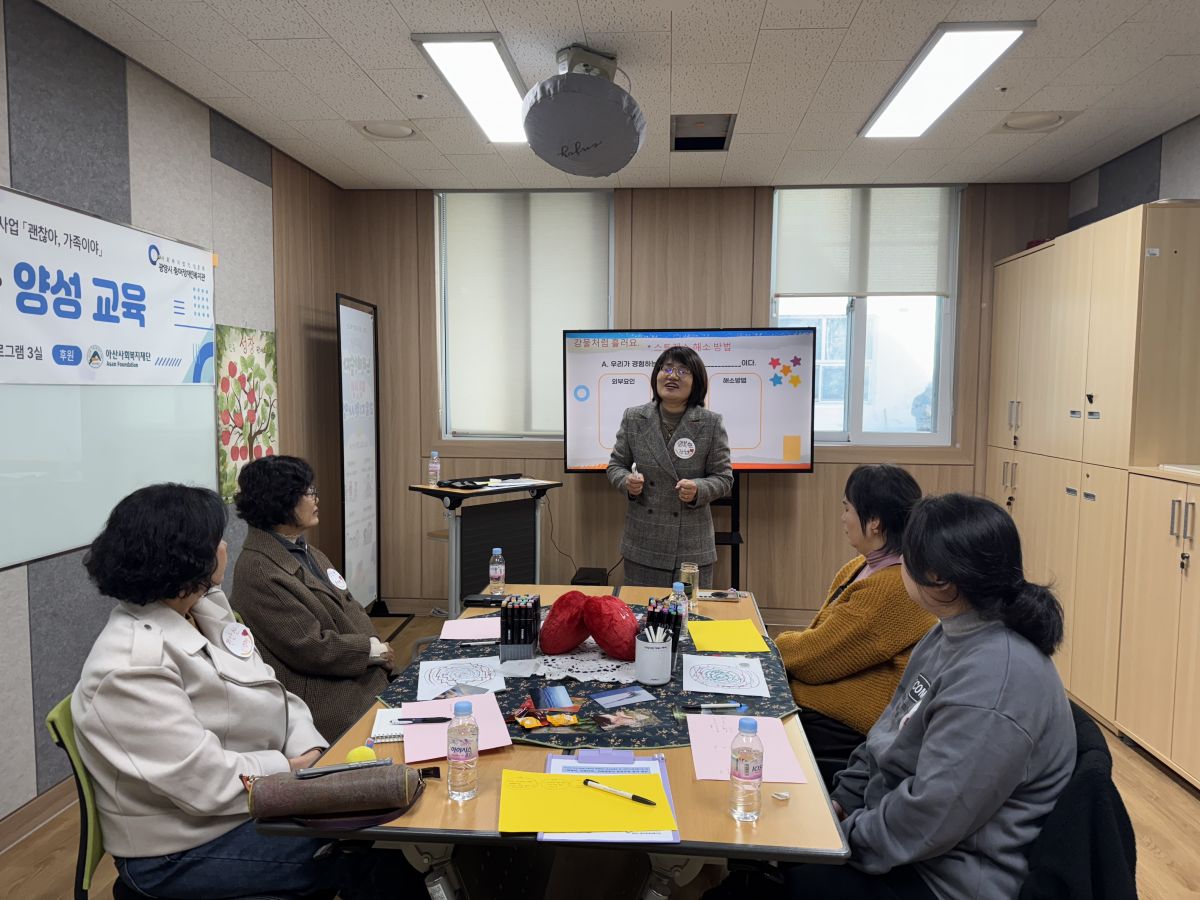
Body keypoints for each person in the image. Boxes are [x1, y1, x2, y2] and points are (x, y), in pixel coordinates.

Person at [71, 484, 422, 898]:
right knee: (374, 853)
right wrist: (290, 769)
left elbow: (277, 694)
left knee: (392, 830)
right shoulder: (130, 667)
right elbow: (204, 782)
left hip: (254, 803)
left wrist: (310, 754)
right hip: (181, 851)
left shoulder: (205, 612)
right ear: (187, 557)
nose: (224, 547)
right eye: (215, 540)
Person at [785, 493, 1076, 900]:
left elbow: (928, 817)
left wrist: (839, 838)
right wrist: (840, 803)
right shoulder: (949, 631)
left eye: (906, 555)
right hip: (897, 844)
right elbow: (885, 736)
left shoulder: (995, 681)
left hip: (941, 879)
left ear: (939, 578)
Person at [774, 465, 935, 772]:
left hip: (845, 723)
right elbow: (821, 644)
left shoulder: (890, 589)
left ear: (874, 522)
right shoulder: (862, 567)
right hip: (828, 700)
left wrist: (776, 645)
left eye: (848, 508)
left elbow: (812, 660)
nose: (843, 517)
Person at [232, 455, 391, 742]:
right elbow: (310, 647)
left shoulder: (304, 549)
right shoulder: (259, 570)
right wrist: (371, 651)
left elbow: (350, 605)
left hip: (362, 672)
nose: (315, 499)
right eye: (306, 493)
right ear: (279, 502)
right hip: (327, 697)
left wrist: (376, 649)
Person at [606, 345, 733, 588]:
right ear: (656, 375)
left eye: (683, 371)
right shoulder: (634, 417)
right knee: (642, 610)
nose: (672, 376)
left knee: (690, 611)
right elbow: (616, 466)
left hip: (691, 546)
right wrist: (627, 482)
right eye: (667, 368)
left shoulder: (711, 423)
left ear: (697, 382)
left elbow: (724, 477)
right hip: (644, 540)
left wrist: (698, 488)